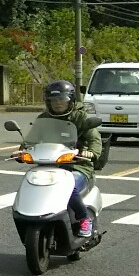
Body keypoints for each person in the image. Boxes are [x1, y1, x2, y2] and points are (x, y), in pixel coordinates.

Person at [32, 79, 104, 237]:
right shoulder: (43, 118)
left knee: (67, 185)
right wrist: (22, 150)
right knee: (32, 182)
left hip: (78, 166)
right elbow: (32, 139)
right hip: (49, 165)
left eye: (61, 100)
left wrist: (90, 152)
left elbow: (94, 140)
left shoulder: (81, 118)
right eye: (53, 100)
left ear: (70, 100)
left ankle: (84, 219)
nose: (57, 103)